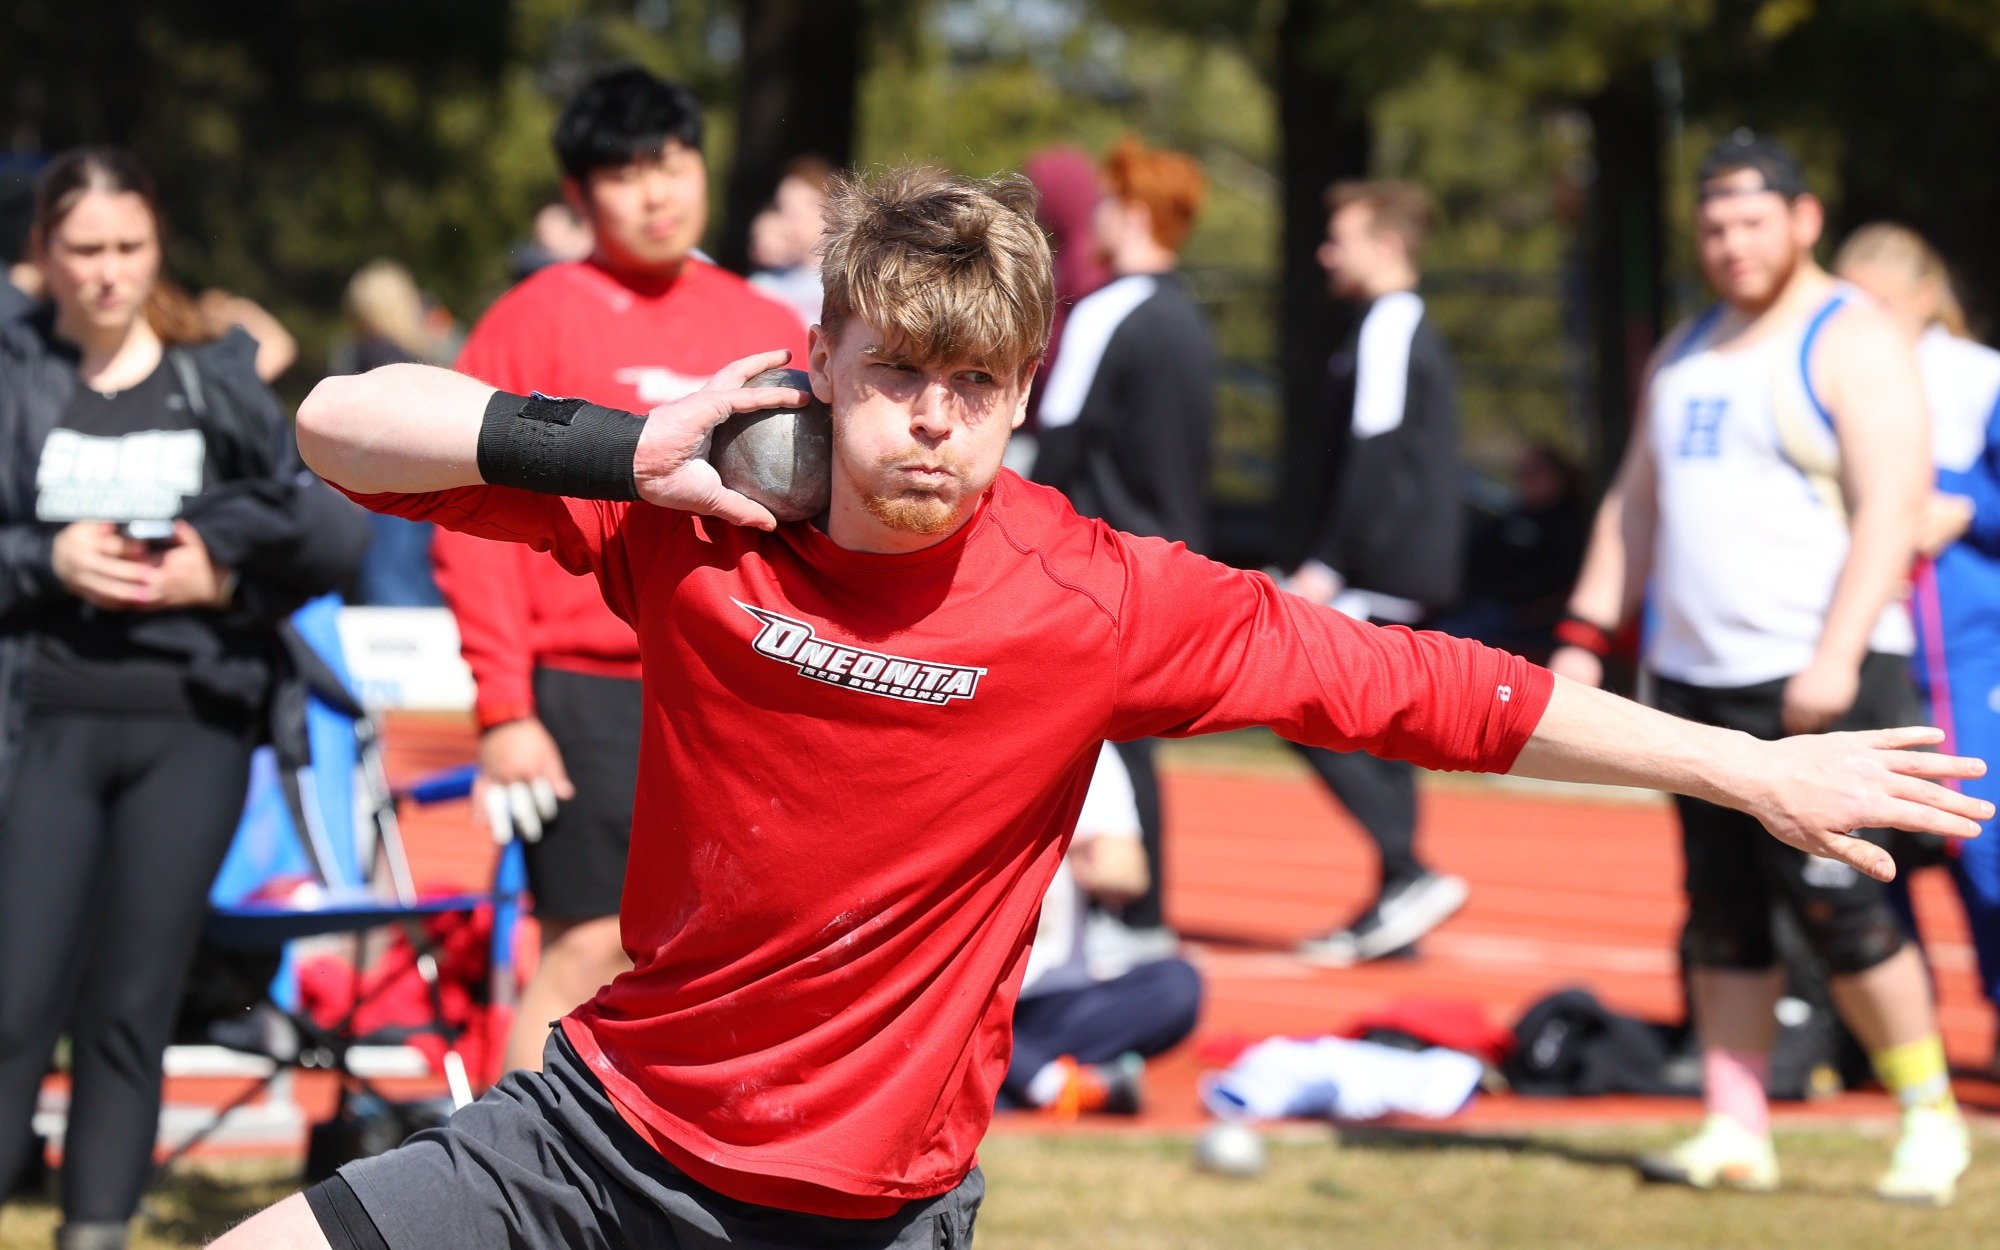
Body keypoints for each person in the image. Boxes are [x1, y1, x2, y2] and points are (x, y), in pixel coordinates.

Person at [212, 165, 1989, 1250]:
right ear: (815, 365)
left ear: (1023, 399)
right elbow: (342, 424)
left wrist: (1742, 764)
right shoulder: (694, 515)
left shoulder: (1094, 597)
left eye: (974, 388)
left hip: (867, 1216)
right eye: (894, 373)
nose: (928, 421)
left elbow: (1444, 694)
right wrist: (622, 442)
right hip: (599, 1144)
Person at [1551, 132, 1966, 1203]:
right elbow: (1633, 505)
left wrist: (1832, 656)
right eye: (1712, 226)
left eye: (1750, 222)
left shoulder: (1851, 338)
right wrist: (1585, 633)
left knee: (1841, 908)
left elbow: (1891, 503)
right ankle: (1734, 1125)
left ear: (1801, 218)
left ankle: (1927, 1116)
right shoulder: (1684, 347)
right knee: (1719, 912)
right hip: (1695, 682)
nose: (1730, 244)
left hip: (1810, 680)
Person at [0, 147, 366, 1250]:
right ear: (44, 257)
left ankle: (96, 1229)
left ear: (156, 245)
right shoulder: (17, 373)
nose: (108, 273)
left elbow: (332, 522)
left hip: (190, 723)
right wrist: (42, 557)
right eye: (84, 250)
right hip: (45, 719)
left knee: (130, 1001)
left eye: (129, 247)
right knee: (14, 1000)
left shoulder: (216, 374)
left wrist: (223, 560)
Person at [432, 66, 807, 1076]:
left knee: (722, 950)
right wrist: (505, 707)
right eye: (626, 173)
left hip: (735, 680)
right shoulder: (530, 319)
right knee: (590, 945)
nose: (657, 192)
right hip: (586, 690)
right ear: (577, 193)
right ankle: (503, 1201)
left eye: (673, 163)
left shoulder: (760, 323)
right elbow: (468, 527)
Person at [1031, 135, 1216, 968]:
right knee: (1136, 734)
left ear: (1133, 214)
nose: (1093, 219)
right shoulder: (1189, 319)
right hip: (1171, 556)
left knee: (1099, 733)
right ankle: (1149, 912)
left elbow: (1056, 437)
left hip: (1100, 557)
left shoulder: (1106, 311)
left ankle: (1125, 915)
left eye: (1107, 203)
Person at [1283, 180, 1470, 967]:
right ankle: (1402, 878)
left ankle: (1408, 868)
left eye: (1343, 237)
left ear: (1387, 247)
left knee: (1303, 705)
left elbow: (1377, 450)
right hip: (1392, 561)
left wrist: (1329, 561)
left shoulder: (1391, 324)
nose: (1328, 252)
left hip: (1379, 564)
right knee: (1378, 729)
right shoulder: (1383, 325)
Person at [1836, 223, 2000, 1068]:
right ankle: (1893, 1039)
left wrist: (1968, 512)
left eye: (1881, 303)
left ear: (1925, 297)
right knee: (1876, 841)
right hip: (1879, 646)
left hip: (1970, 653)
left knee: (1983, 845)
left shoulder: (1979, 378)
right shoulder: (1831, 365)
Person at [1004, 744, 1202, 1117]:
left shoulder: (1088, 748)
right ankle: (1045, 1083)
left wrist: (1074, 845)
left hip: (1048, 994)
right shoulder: (952, 737)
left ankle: (996, 1078)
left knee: (1176, 987)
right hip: (966, 989)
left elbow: (1127, 874)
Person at [335, 260, 447, 607]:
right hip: (414, 487)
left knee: (384, 582)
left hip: (375, 489)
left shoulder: (363, 355)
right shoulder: (408, 360)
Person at [749, 155, 835, 329]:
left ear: (828, 211)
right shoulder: (766, 286)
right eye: (781, 209)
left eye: (795, 210)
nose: (785, 220)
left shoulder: (844, 285)